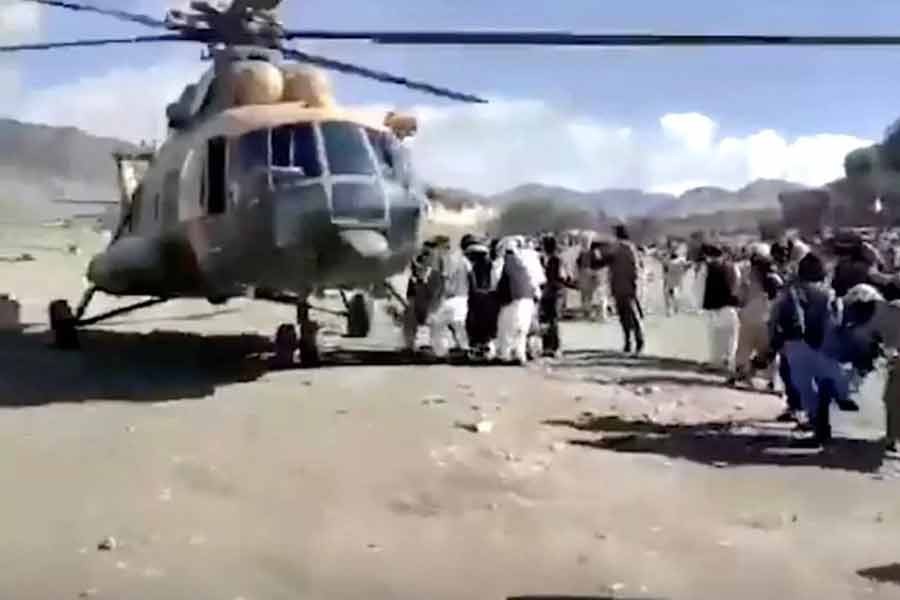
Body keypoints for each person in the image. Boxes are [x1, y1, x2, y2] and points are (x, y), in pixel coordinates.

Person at [770, 252, 851, 446]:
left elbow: (775, 319)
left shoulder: (791, 292)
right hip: (825, 344)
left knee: (805, 388)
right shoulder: (829, 294)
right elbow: (838, 320)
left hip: (795, 345)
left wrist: (774, 344)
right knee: (825, 384)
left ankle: (816, 425)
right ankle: (824, 428)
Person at [729, 242, 783, 388]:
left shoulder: (747, 275)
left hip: (749, 315)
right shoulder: (776, 278)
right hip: (768, 318)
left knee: (744, 348)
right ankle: (772, 381)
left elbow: (739, 296)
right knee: (767, 351)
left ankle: (739, 375)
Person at [599, 224, 644, 354]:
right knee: (627, 315)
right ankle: (632, 341)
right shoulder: (624, 249)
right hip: (623, 286)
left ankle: (634, 340)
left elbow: (634, 268)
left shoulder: (623, 248)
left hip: (624, 286)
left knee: (628, 316)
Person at [426, 236, 471, 359]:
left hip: (447, 298)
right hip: (463, 297)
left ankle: (440, 352)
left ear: (440, 246)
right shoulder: (463, 259)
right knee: (460, 326)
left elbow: (443, 280)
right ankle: (465, 350)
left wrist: (435, 300)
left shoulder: (441, 258)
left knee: (437, 326)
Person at [495, 237, 538, 365]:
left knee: (506, 328)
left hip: (513, 300)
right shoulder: (523, 262)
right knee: (521, 330)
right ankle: (520, 355)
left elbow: (496, 282)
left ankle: (505, 355)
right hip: (528, 299)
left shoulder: (501, 263)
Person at [701, 243, 741, 372]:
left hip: (713, 308)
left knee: (715, 338)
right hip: (730, 307)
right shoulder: (733, 267)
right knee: (731, 337)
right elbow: (737, 284)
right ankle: (730, 362)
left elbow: (698, 288)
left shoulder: (706, 268)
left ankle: (716, 362)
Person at [539, 235, 577, 357]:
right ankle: (549, 346)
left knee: (552, 320)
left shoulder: (555, 260)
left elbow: (562, 277)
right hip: (553, 292)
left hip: (554, 293)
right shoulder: (552, 259)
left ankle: (553, 347)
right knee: (548, 320)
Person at [464, 238, 499, 360]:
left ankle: (478, 348)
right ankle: (485, 348)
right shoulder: (490, 264)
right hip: (487, 298)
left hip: (479, 299)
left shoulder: (475, 267)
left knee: (476, 326)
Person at [402, 241, 437, 353]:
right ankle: (411, 345)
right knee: (412, 320)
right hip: (416, 291)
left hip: (424, 292)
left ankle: (421, 345)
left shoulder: (433, 262)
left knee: (423, 320)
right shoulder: (419, 259)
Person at [662, 249, 690, 316]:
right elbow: (687, 265)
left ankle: (668, 310)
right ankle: (675, 308)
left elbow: (665, 270)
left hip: (669, 282)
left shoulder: (668, 262)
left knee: (667, 296)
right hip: (677, 282)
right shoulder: (680, 263)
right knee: (676, 296)